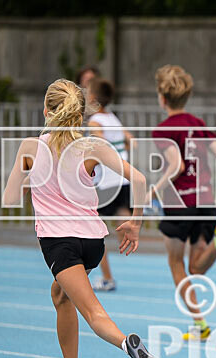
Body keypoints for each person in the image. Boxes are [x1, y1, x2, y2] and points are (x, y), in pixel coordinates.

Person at [2, 79, 166, 358]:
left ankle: (128, 343)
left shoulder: (31, 147)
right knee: (60, 295)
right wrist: (135, 223)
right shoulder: (92, 147)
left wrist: (29, 181)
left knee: (93, 313)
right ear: (80, 116)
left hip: (59, 243)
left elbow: (9, 198)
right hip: (93, 242)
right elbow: (141, 180)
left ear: (46, 111)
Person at [151, 64, 216, 341]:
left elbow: (177, 165)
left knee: (176, 263)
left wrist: (153, 190)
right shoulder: (198, 124)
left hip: (179, 203)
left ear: (162, 98)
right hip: (206, 200)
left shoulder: (162, 130)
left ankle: (199, 322)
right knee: (196, 267)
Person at [86, 78, 136, 292]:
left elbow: (100, 144)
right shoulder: (113, 118)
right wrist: (121, 156)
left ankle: (107, 277)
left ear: (94, 99)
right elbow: (130, 140)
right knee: (122, 217)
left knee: (94, 229)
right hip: (121, 178)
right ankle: (130, 237)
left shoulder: (95, 121)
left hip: (105, 179)